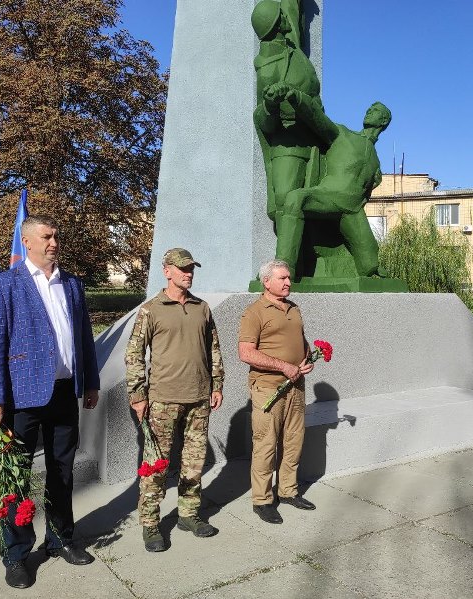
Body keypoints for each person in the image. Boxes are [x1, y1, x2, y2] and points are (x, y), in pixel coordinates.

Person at [0, 215, 100, 589]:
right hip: (21, 399)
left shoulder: (73, 285)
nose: (54, 242)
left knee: (62, 472)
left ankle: (61, 537)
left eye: (56, 235)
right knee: (14, 478)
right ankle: (16, 554)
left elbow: (83, 338)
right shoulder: (4, 285)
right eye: (46, 236)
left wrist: (91, 382)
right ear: (27, 242)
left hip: (64, 394)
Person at [125, 248, 224, 552]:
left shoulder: (202, 308)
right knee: (156, 465)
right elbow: (134, 353)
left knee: (194, 463)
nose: (188, 273)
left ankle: (189, 514)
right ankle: (151, 523)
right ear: (166, 270)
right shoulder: (151, 309)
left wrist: (217, 383)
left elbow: (214, 349)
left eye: (191, 268)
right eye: (182, 268)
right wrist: (138, 394)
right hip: (163, 400)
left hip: (199, 398)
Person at [264, 84, 391, 279]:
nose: (369, 111)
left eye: (375, 110)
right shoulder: (343, 135)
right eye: (369, 108)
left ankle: (370, 268)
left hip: (353, 210)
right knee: (295, 199)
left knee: (369, 266)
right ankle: (284, 268)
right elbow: (317, 117)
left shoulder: (375, 160)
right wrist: (295, 96)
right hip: (329, 196)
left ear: (383, 121)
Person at [238, 259, 316, 524]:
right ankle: (262, 500)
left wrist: (307, 359)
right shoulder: (255, 312)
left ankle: (288, 491)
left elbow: (301, 341)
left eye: (289, 278)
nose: (288, 282)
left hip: (296, 387)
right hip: (268, 389)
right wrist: (283, 366)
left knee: (294, 441)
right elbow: (246, 353)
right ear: (266, 281)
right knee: (266, 444)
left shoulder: (294, 309)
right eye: (282, 278)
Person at [252, 0, 322, 223]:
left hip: (316, 132)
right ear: (274, 25)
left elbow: (292, 12)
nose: (286, 19)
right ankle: (284, 259)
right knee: (285, 202)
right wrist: (271, 104)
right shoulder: (268, 68)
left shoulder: (293, 50)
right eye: (279, 16)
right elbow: (264, 121)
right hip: (288, 143)